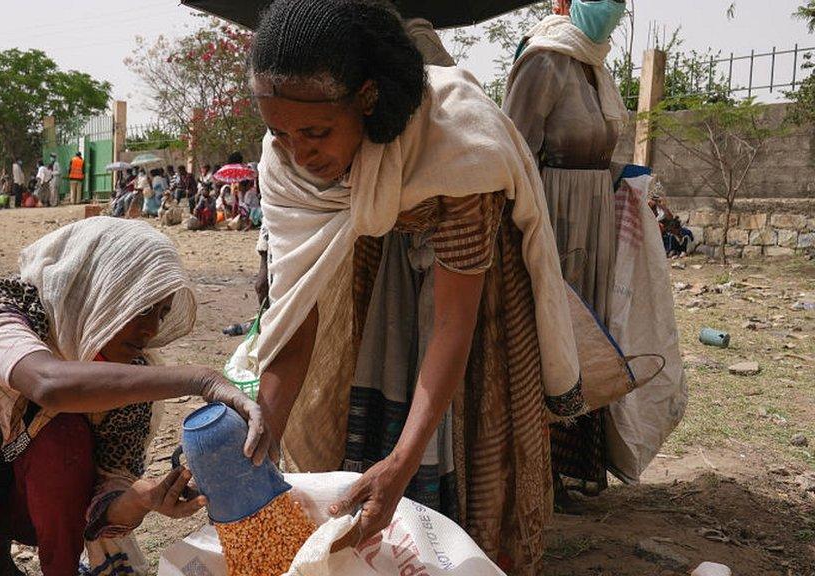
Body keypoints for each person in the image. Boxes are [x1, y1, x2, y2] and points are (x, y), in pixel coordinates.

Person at [246, 2, 588, 573]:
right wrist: (259, 443)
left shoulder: (459, 150)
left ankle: (462, 543)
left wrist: (402, 463)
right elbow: (295, 315)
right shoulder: (287, 165)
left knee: (473, 427)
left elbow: (454, 325)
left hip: (476, 288)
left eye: (316, 133)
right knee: (371, 388)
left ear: (369, 99)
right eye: (279, 132)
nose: (300, 154)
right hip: (373, 264)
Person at [0, 218, 263, 576]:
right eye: (141, 307)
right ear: (99, 289)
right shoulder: (0, 310)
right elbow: (47, 384)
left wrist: (141, 499)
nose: (150, 328)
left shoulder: (131, 379)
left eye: (161, 314)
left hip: (25, 511)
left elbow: (102, 500)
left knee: (62, 434)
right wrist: (201, 380)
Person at [503, 0, 628, 499]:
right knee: (555, 329)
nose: (614, 11)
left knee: (589, 331)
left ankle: (575, 465)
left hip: (596, 212)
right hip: (553, 213)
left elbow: (603, 144)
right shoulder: (544, 58)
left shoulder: (595, 64)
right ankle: (538, 471)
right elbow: (514, 146)